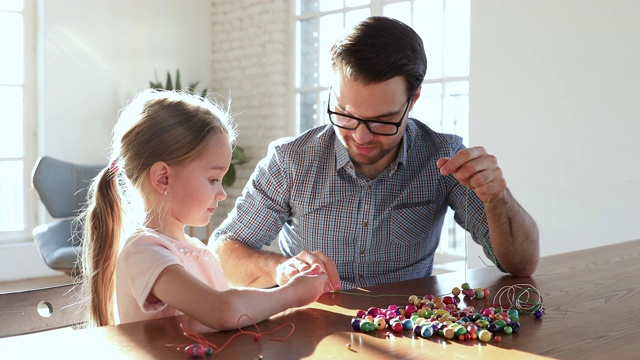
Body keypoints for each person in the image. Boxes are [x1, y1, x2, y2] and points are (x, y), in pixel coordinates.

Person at [211, 16, 539, 291]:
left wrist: (499, 197)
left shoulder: (443, 157)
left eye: (382, 121)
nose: (360, 135)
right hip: (309, 328)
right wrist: (280, 269)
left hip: (407, 329)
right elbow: (224, 251)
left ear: (412, 100)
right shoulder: (291, 161)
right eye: (345, 114)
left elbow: (521, 265)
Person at [80, 89, 327, 329]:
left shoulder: (196, 250)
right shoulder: (144, 252)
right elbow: (221, 310)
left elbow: (231, 305)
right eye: (213, 179)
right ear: (163, 178)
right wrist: (293, 294)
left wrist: (280, 276)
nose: (221, 193)